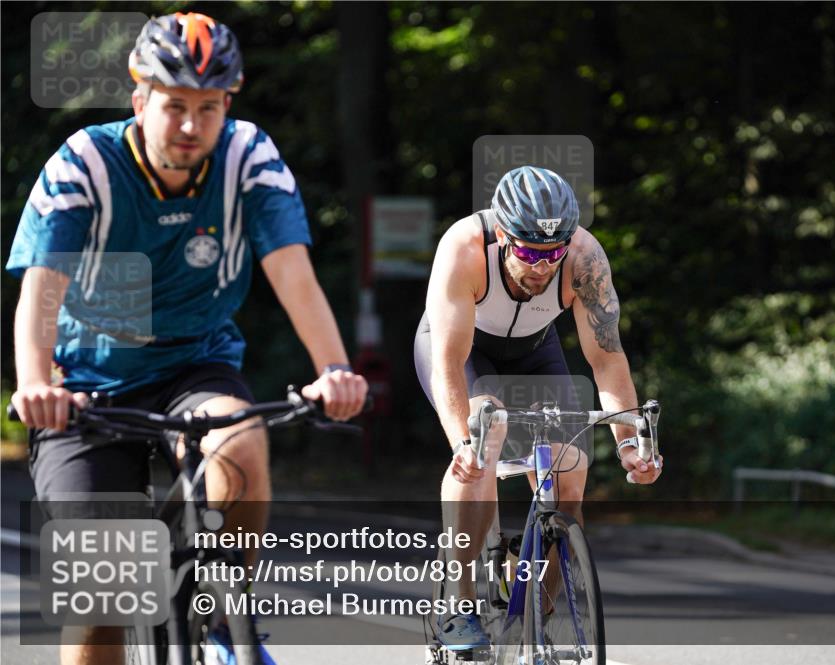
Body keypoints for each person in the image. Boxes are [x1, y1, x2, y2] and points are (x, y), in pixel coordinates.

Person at [7, 12, 367, 665]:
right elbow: (41, 290)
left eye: (208, 107)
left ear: (227, 103)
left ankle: (227, 610)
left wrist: (335, 370)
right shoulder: (85, 164)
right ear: (139, 97)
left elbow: (294, 276)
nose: (190, 126)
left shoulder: (247, 156)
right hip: (85, 390)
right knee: (101, 607)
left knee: (241, 444)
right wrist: (35, 383)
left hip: (194, 367)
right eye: (174, 106)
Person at [413, 165, 662, 651]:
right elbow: (448, 361)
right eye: (529, 251)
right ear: (503, 234)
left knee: (570, 477)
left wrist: (629, 442)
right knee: (485, 438)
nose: (543, 266)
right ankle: (459, 602)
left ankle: (535, 610)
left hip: (534, 350)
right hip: (460, 350)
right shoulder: (465, 248)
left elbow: (607, 359)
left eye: (554, 253)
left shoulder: (585, 258)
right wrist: (463, 443)